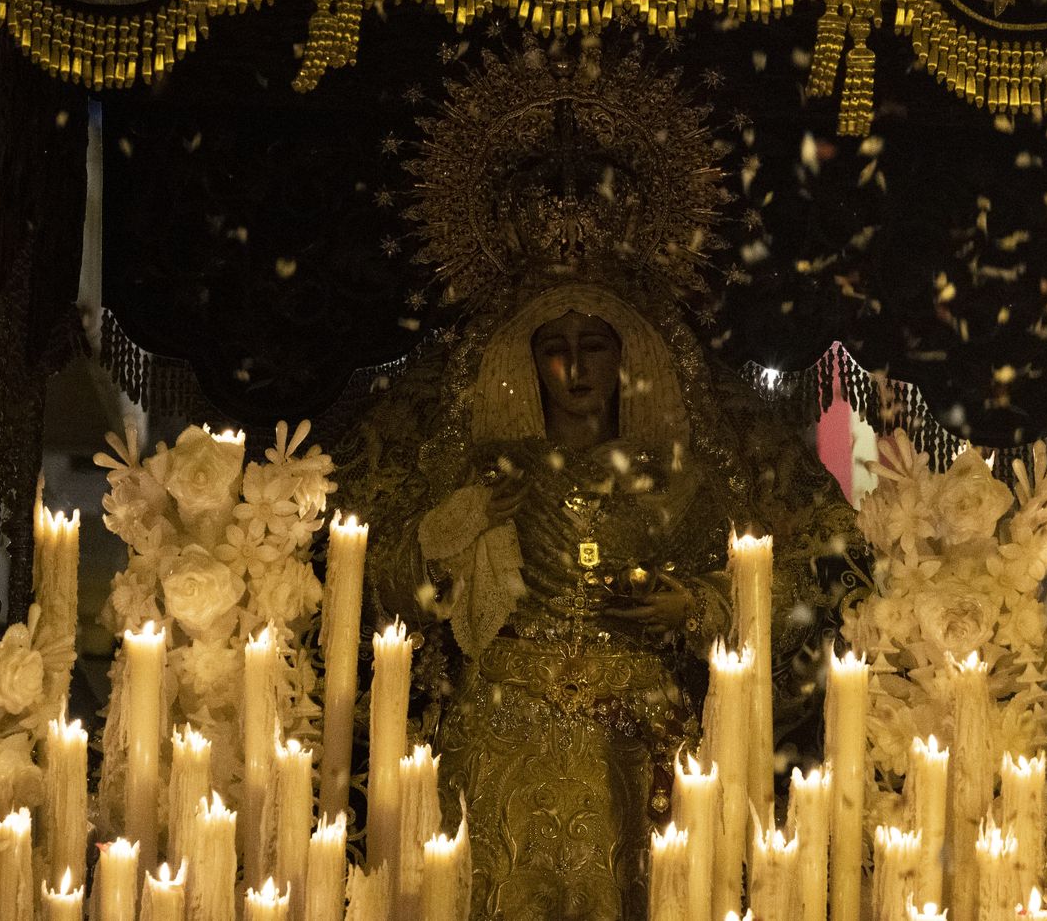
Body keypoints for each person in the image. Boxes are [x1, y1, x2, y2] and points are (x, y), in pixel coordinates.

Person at [338, 48, 863, 920]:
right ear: (528, 360)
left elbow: (762, 591)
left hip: (637, 728)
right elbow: (391, 586)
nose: (577, 368)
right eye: (557, 347)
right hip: (501, 719)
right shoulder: (485, 468)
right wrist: (461, 524)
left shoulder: (677, 477)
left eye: (596, 347)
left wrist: (683, 608)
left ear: (628, 357)